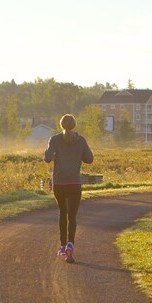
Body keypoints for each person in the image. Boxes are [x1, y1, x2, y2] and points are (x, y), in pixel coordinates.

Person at [44, 113, 94, 263]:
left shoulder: (55, 139)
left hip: (59, 183)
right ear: (74, 125)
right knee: (72, 216)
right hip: (74, 183)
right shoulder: (80, 140)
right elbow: (89, 159)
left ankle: (63, 245)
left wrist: (53, 155)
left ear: (61, 125)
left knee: (62, 213)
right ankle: (71, 246)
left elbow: (47, 158)